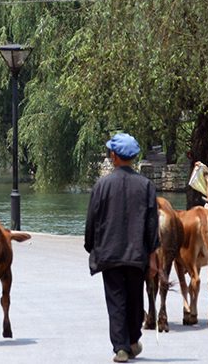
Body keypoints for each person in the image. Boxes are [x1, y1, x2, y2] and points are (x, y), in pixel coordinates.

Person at [85, 133, 160, 363]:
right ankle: (132, 340)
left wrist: (91, 246)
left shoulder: (102, 185)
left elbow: (92, 220)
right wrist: (153, 255)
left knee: (116, 300)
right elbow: (151, 224)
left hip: (110, 253)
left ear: (114, 156)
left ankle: (121, 347)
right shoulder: (146, 185)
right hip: (137, 254)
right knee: (135, 297)